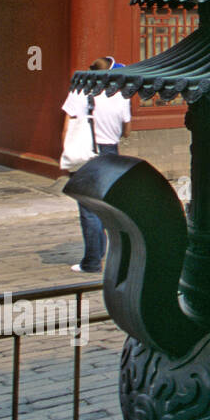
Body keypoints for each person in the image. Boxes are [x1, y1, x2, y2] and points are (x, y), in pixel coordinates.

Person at [61, 56, 132, 273]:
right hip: (111, 152)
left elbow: (67, 127)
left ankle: (92, 262)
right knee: (108, 206)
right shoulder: (121, 94)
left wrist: (66, 155)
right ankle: (119, 257)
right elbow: (126, 131)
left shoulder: (79, 92)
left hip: (87, 152)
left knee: (88, 208)